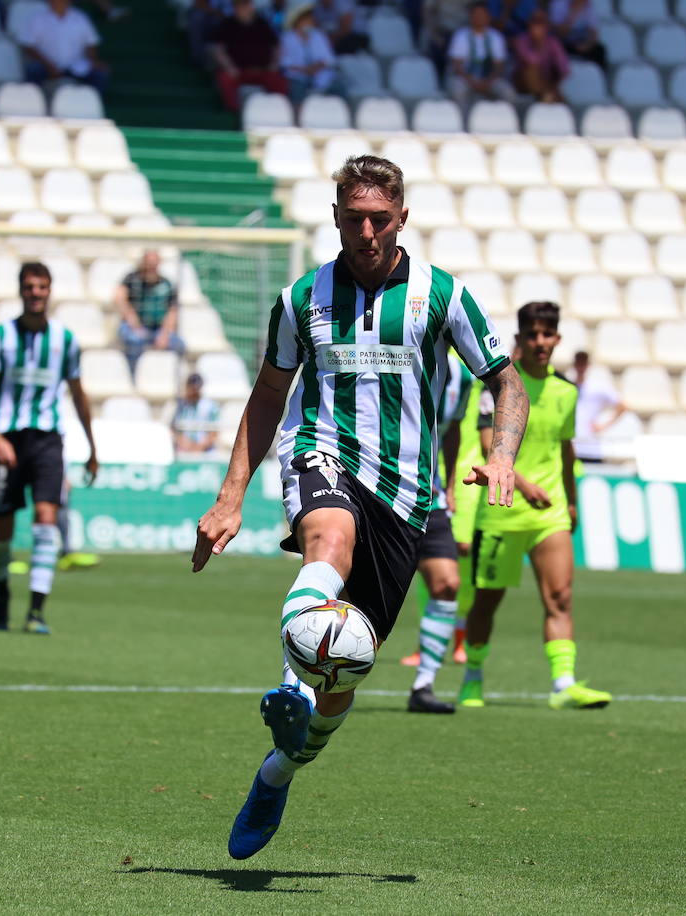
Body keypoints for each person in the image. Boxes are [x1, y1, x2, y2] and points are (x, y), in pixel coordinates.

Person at [192, 154, 527, 860]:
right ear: (336, 219)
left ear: (402, 217)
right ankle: (289, 684)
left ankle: (277, 770)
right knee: (329, 544)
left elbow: (508, 382)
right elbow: (267, 397)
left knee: (348, 673)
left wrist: (502, 454)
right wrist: (231, 498)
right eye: (354, 219)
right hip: (323, 452)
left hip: (407, 495)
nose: (367, 231)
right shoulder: (301, 299)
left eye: (380, 219)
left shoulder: (443, 296)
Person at [459, 301, 609, 711]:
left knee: (559, 596)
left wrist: (571, 501)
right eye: (533, 335)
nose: (541, 342)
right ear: (520, 339)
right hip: (503, 508)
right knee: (487, 602)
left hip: (551, 512)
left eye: (547, 335)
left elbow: (565, 449)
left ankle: (563, 683)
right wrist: (521, 483)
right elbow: (491, 442)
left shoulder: (565, 392)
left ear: (557, 339)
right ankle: (472, 675)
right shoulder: (500, 386)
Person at [0, 262, 99, 635]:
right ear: (21, 290)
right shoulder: (0, 337)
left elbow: (78, 395)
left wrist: (93, 447)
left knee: (46, 519)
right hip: (8, 440)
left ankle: (36, 610)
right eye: (30, 286)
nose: (36, 293)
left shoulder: (65, 340)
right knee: (3, 528)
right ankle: (0, 597)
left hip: (47, 440)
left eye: (42, 286)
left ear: (49, 291)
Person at [402, 351, 474, 714]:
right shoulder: (396, 353)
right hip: (376, 493)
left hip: (429, 494)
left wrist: (449, 487)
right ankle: (308, 682)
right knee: (353, 590)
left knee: (447, 583)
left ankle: (423, 684)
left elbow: (454, 428)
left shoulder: (462, 377)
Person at [113, 249, 183, 374]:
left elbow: (173, 311)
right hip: (134, 327)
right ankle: (133, 377)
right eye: (149, 263)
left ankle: (166, 377)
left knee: (179, 345)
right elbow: (119, 298)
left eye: (154, 264)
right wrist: (134, 323)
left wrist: (164, 335)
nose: (151, 267)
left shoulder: (166, 284)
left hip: (157, 330)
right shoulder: (131, 279)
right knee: (134, 340)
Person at [211, 0, 288, 111]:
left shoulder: (262, 24)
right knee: (224, 78)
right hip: (237, 72)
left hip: (263, 70)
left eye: (245, 5)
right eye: (239, 5)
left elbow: (277, 46)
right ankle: (234, 111)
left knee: (279, 80)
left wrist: (274, 64)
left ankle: (277, 111)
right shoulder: (227, 24)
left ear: (251, 6)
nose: (242, 8)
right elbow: (218, 49)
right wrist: (229, 67)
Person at [20, 0, 109, 94]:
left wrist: (92, 61)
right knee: (33, 70)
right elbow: (28, 46)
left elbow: (91, 43)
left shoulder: (80, 18)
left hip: (75, 65)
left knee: (99, 73)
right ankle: (33, 100)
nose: (60, 2)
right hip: (46, 65)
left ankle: (91, 102)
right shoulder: (37, 19)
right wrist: (48, 65)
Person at [447, 1, 515, 105]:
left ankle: (506, 120)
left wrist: (488, 81)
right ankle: (463, 120)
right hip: (466, 79)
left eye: (482, 15)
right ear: (470, 17)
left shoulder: (496, 37)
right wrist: (472, 81)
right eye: (476, 15)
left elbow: (499, 66)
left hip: (490, 79)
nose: (479, 18)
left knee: (508, 93)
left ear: (488, 17)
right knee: (458, 91)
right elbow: (457, 65)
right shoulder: (460, 36)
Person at [570, 350, 628, 464]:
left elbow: (622, 406)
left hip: (591, 446)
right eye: (579, 363)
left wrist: (603, 425)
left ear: (588, 365)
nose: (581, 367)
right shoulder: (567, 387)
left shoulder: (598, 387)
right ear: (574, 365)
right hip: (572, 446)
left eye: (583, 363)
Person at [280, 4, 343, 103]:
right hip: (297, 77)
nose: (310, 22)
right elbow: (285, 63)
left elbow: (329, 59)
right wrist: (304, 70)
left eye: (311, 19)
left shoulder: (319, 36)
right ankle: (298, 116)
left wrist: (316, 67)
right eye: (307, 20)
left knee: (339, 88)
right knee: (296, 91)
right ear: (298, 21)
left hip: (321, 76)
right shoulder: (287, 38)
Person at [512, 9, 568, 103]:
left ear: (547, 26)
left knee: (556, 78)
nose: (537, 26)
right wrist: (538, 42)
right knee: (531, 71)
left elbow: (564, 68)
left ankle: (550, 97)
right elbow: (532, 61)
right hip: (523, 83)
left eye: (541, 22)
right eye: (535, 22)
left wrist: (555, 82)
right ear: (529, 24)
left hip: (548, 82)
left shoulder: (553, 42)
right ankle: (547, 96)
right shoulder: (521, 41)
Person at [172, 373, 220, 454]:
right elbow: (174, 429)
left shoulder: (211, 406)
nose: (194, 392)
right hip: (184, 451)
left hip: (205, 451)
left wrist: (199, 447)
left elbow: (214, 432)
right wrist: (186, 445)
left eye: (196, 388)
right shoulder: (179, 406)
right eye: (192, 388)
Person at [548, 0, 604, 68]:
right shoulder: (558, 4)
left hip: (581, 43)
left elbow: (594, 32)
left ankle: (599, 77)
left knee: (599, 50)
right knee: (556, 48)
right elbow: (559, 34)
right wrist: (573, 12)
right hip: (564, 43)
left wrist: (587, 45)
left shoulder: (588, 5)